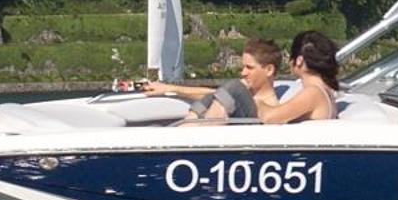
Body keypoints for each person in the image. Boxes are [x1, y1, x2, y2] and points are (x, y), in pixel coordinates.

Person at [144, 39, 283, 124]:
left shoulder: (272, 106)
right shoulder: (246, 94)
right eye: (243, 67)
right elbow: (214, 93)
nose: (243, 73)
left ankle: (192, 136)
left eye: (249, 68)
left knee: (234, 87)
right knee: (217, 95)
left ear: (269, 70)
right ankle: (185, 131)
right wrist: (170, 88)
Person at [258, 30, 338, 123]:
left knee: (238, 89)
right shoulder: (326, 91)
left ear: (299, 60)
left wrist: (256, 100)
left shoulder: (313, 93)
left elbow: (269, 117)